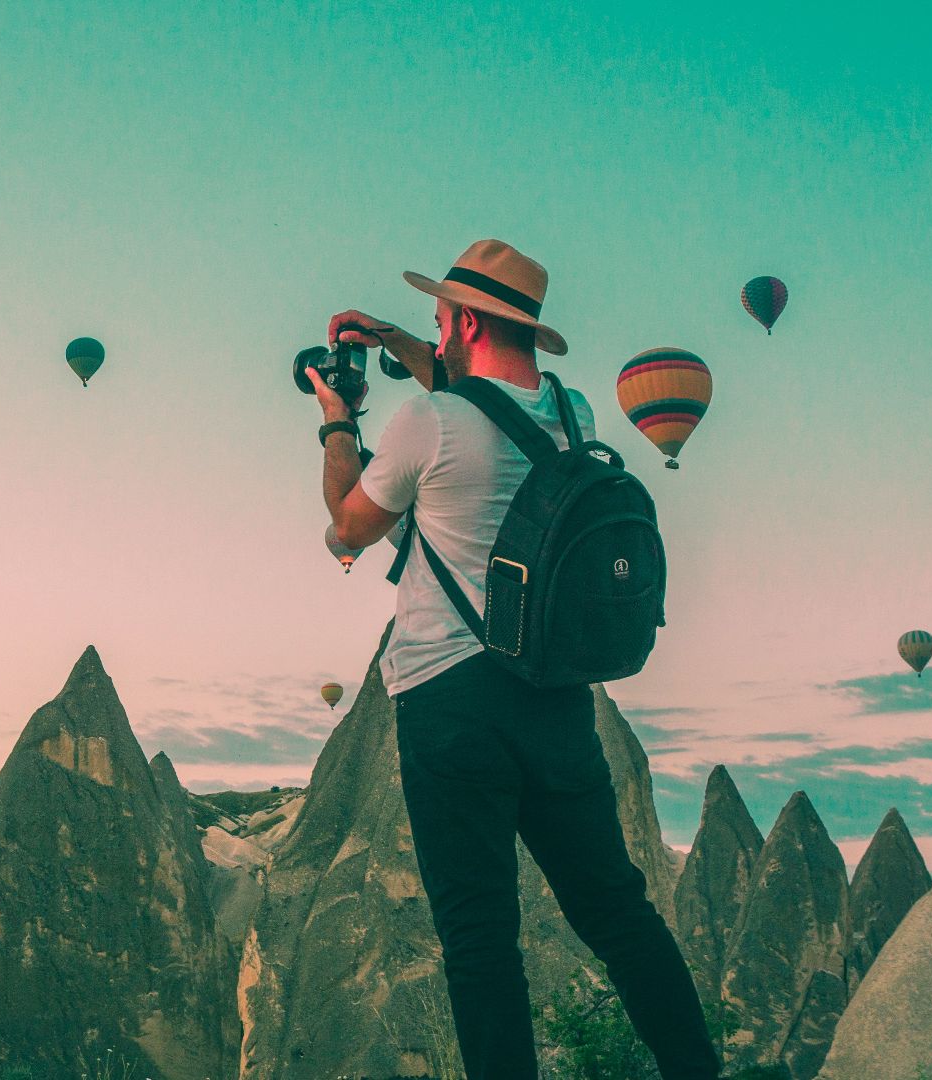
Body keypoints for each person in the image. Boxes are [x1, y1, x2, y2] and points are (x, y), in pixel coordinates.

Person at [307, 240, 720, 1079]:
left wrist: (337, 420)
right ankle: (698, 1070)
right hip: (557, 697)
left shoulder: (426, 421)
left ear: (463, 321)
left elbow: (348, 528)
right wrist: (392, 337)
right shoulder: (576, 419)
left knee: (479, 937)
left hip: (449, 701)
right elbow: (480, 400)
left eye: (437, 323)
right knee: (616, 910)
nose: (435, 337)